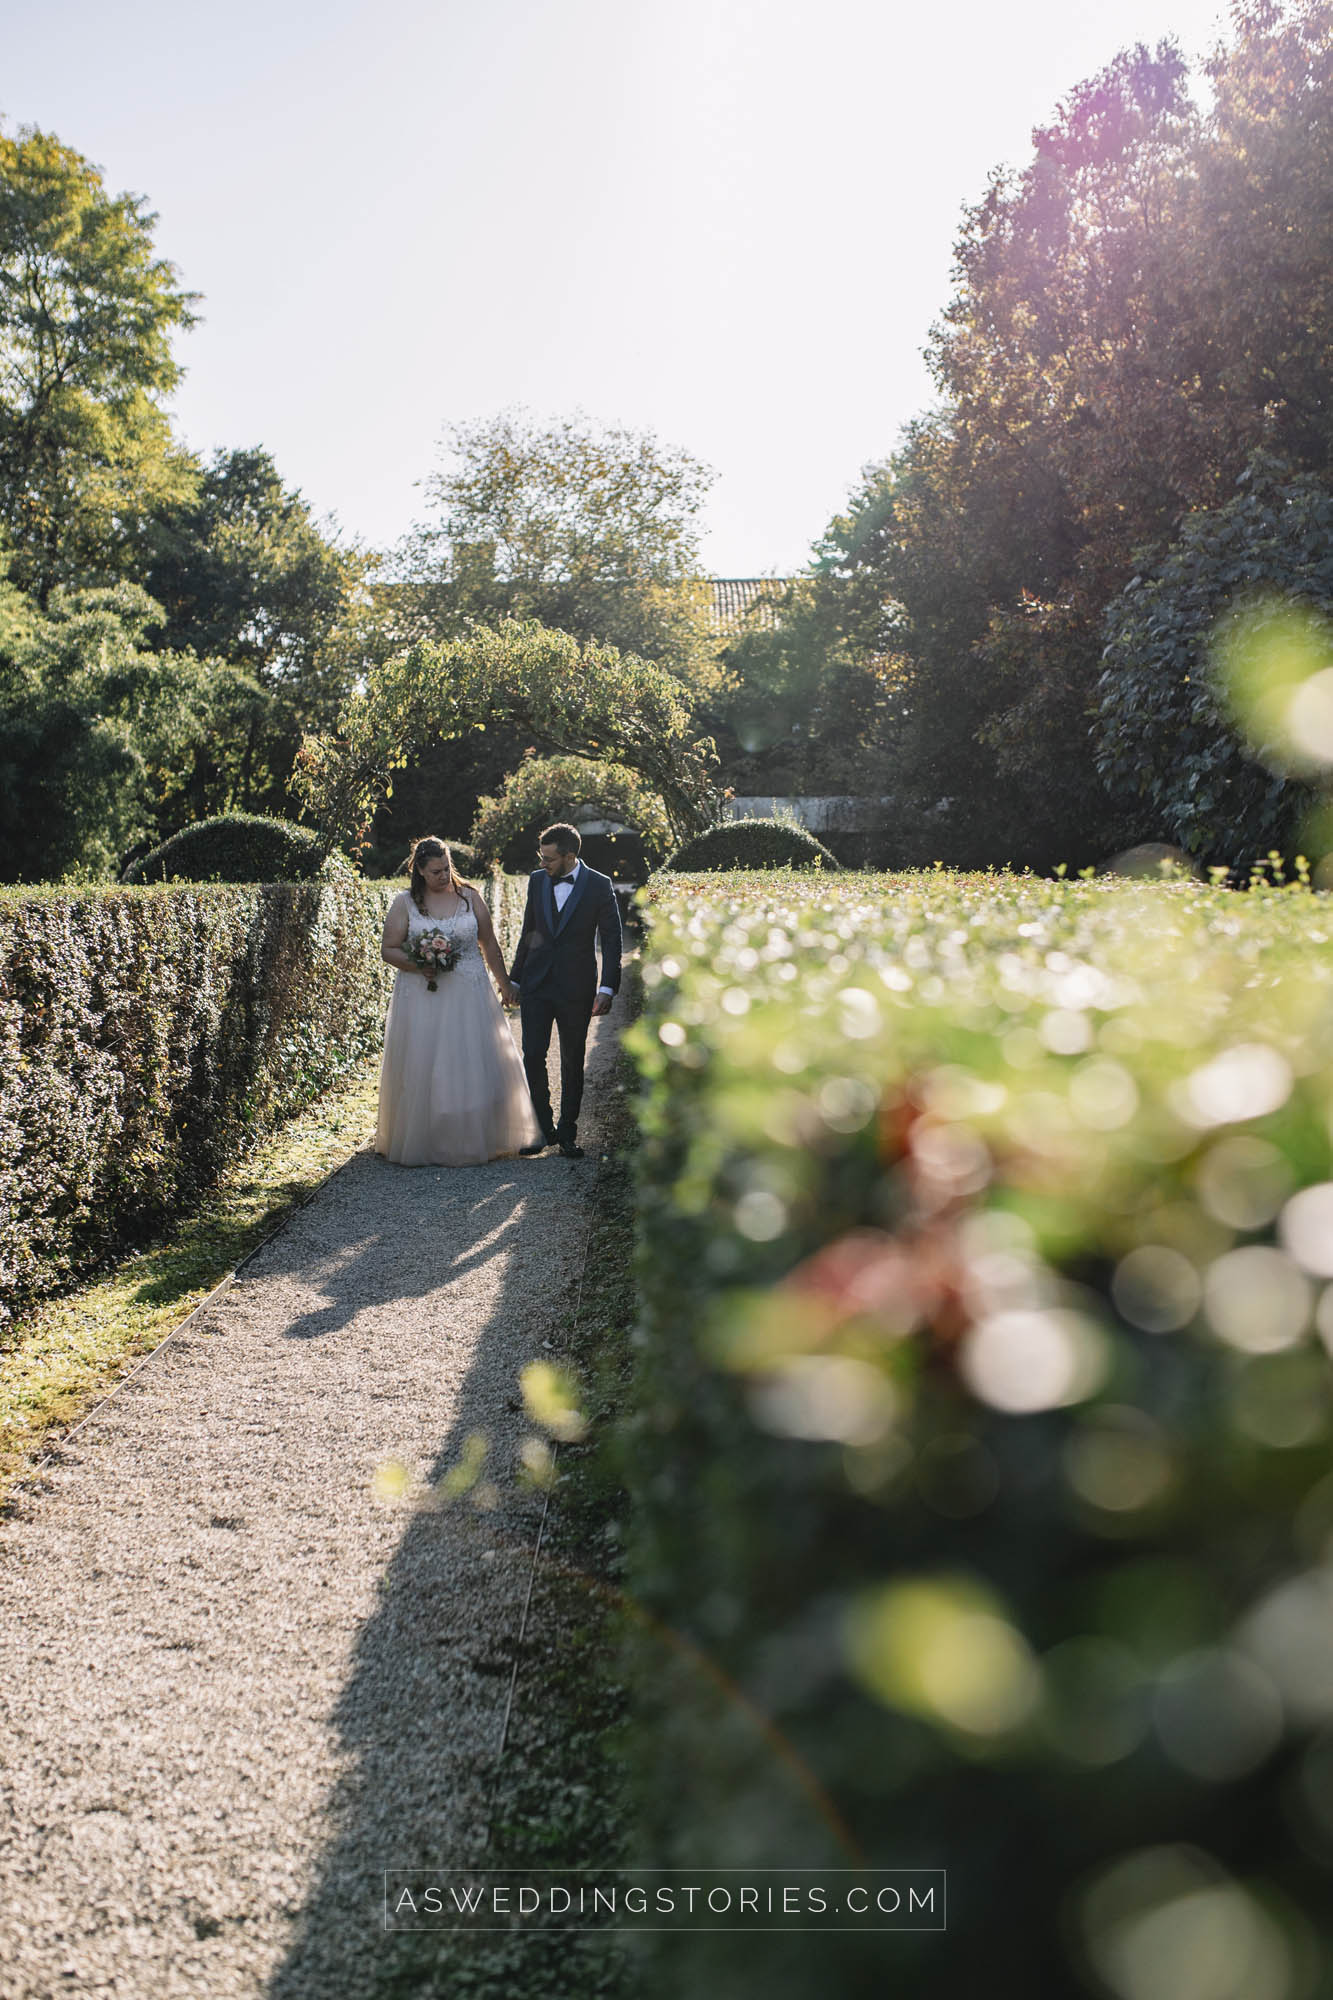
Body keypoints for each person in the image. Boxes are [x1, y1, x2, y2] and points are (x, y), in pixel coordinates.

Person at [376, 836, 540, 1166]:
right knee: (427, 1063)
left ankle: (477, 1134)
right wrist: (419, 964)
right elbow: (389, 949)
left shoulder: (470, 898)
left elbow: (489, 943)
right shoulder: (405, 903)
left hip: (470, 991)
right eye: (435, 871)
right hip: (423, 994)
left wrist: (505, 983)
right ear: (420, 870)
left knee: (472, 1059)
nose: (443, 875)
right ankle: (428, 1137)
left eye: (447, 868)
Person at [510, 822, 622, 1160]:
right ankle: (543, 1130)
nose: (543, 863)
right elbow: (528, 930)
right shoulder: (536, 880)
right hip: (536, 984)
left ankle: (568, 1132)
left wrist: (607, 987)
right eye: (541, 857)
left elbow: (612, 939)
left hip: (577, 987)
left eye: (549, 858)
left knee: (573, 1060)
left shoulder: (600, 885)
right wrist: (514, 980)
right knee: (532, 1055)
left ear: (570, 856)